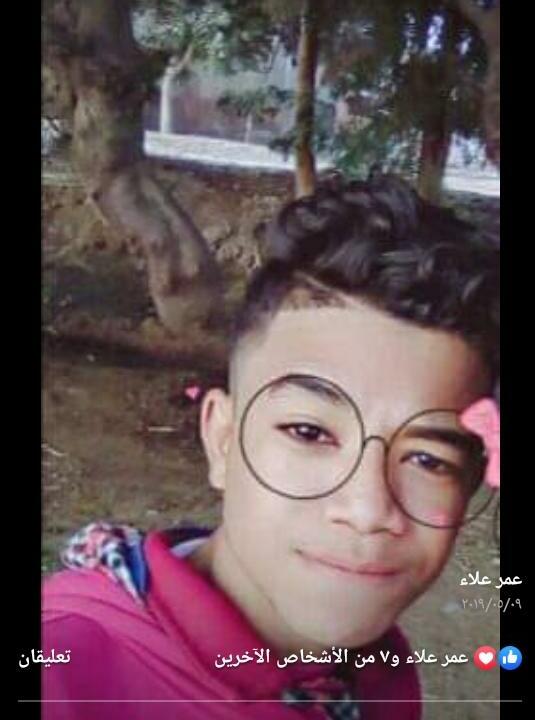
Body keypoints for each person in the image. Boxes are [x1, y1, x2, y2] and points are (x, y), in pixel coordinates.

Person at [42, 173, 500, 720]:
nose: (367, 511)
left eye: (427, 459)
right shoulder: (65, 675)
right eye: (309, 432)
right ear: (222, 439)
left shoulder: (381, 673)